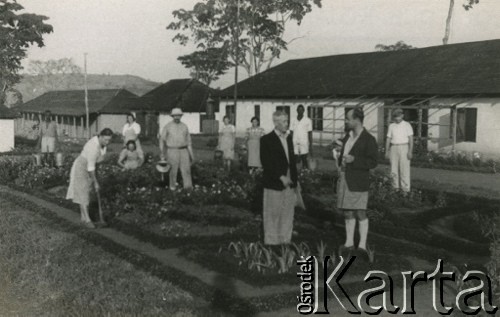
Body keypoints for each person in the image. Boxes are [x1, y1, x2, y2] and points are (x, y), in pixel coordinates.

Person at [337, 107, 378, 262]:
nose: (346, 121)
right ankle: (348, 243)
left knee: (360, 212)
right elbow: (343, 156)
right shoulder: (347, 137)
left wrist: (355, 160)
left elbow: (373, 162)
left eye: (348, 119)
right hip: (345, 178)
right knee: (347, 211)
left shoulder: (368, 139)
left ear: (357, 120)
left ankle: (361, 245)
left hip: (358, 181)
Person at [260, 111, 298, 245]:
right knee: (273, 213)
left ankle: (285, 241)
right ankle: (271, 242)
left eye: (287, 121)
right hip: (274, 181)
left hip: (290, 180)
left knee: (287, 212)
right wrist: (280, 176)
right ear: (276, 123)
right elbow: (266, 162)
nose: (286, 124)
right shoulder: (266, 140)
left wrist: (294, 179)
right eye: (283, 121)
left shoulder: (289, 138)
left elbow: (291, 160)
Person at [66, 128, 113, 229]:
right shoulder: (93, 147)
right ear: (100, 136)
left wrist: (96, 177)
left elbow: (98, 162)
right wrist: (96, 182)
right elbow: (90, 167)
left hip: (90, 167)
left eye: (109, 140)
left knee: (86, 191)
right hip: (81, 167)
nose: (107, 142)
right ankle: (87, 220)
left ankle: (83, 217)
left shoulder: (103, 146)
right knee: (83, 192)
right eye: (105, 139)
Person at [159, 108, 194, 190]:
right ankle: (172, 189)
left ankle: (188, 189)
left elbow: (189, 142)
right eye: (175, 116)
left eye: (178, 115)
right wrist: (162, 152)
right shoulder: (168, 126)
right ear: (172, 116)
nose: (177, 117)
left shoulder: (184, 126)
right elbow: (162, 140)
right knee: (172, 171)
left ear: (181, 116)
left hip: (183, 150)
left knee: (186, 170)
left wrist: (192, 156)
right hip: (172, 150)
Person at [385, 108, 414, 192]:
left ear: (402, 115)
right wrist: (386, 151)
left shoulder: (407, 125)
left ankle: (405, 190)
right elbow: (388, 139)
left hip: (404, 147)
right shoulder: (391, 126)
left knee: (404, 169)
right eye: (395, 117)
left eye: (398, 116)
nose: (397, 118)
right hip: (393, 147)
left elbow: (411, 139)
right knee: (393, 169)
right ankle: (395, 189)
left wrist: (410, 151)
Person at [290, 105, 313, 169]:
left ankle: (305, 173)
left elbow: (310, 133)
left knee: (304, 159)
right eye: (298, 110)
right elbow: (291, 132)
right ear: (296, 111)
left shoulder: (308, 120)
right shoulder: (293, 120)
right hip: (295, 142)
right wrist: (290, 143)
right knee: (295, 159)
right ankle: (295, 174)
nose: (300, 111)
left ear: (303, 111)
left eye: (301, 110)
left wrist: (311, 145)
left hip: (304, 142)